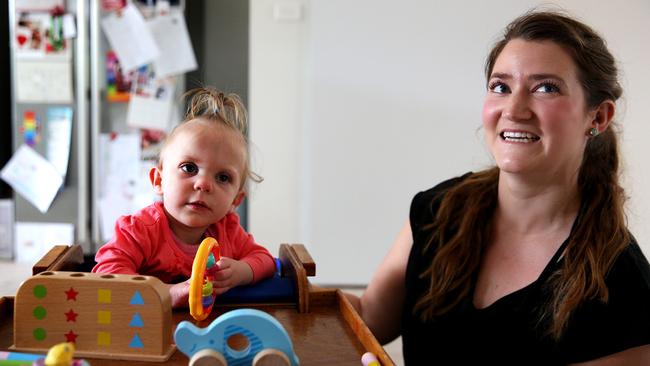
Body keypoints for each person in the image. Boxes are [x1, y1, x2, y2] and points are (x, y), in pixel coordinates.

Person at [347, 10, 650, 365]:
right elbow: (368, 318)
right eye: (501, 87)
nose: (515, 109)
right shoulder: (439, 209)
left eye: (545, 88)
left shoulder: (622, 282)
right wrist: (284, 293)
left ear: (597, 117)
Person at [93, 87, 276, 308]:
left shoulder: (227, 230)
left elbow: (265, 260)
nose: (204, 184)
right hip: (144, 334)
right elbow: (107, 275)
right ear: (158, 181)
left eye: (223, 177)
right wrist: (169, 293)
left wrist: (242, 271)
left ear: (235, 201)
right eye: (189, 168)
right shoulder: (141, 229)